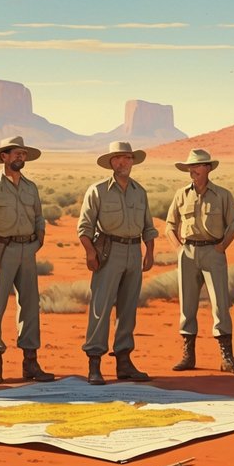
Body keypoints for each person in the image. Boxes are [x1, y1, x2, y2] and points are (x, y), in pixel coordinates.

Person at [0, 136, 53, 384]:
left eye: (23, 154)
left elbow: (39, 216)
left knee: (30, 306)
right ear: (4, 157)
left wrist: (40, 238)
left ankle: (30, 362)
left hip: (28, 251)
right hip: (1, 250)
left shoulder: (30, 187)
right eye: (16, 154)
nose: (20, 158)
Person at [78, 141, 157, 385]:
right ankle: (95, 363)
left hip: (134, 251)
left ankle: (124, 362)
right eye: (117, 158)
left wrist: (149, 251)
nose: (122, 162)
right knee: (100, 308)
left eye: (127, 158)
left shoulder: (139, 191)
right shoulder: (98, 190)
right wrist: (90, 253)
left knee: (128, 309)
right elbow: (84, 227)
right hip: (108, 252)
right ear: (111, 163)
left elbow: (148, 227)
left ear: (133, 161)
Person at [164, 148, 234, 372]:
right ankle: (188, 356)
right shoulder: (181, 195)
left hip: (213, 253)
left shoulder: (223, 195)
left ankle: (226, 356)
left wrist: (222, 246)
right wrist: (178, 248)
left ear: (208, 168)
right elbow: (169, 224)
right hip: (187, 253)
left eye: (197, 166)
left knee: (220, 304)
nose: (192, 170)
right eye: (190, 167)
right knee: (187, 306)